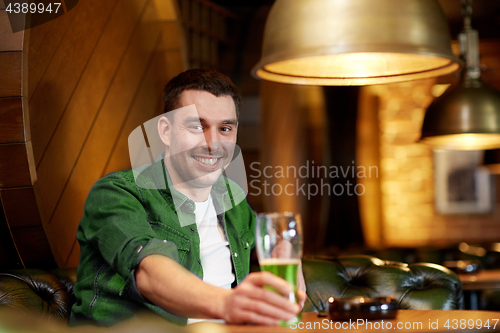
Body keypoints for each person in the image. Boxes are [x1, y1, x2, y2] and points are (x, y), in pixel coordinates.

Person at [70, 69, 306, 326]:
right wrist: (226, 304)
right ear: (165, 131)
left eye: (225, 128)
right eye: (196, 126)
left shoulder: (233, 200)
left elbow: (279, 268)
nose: (213, 143)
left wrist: (288, 259)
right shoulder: (116, 193)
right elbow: (149, 272)